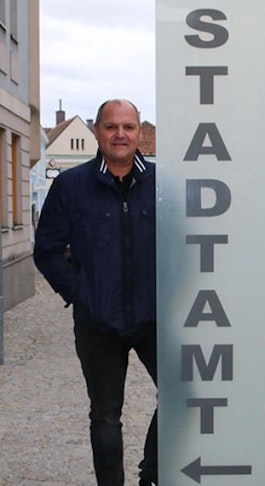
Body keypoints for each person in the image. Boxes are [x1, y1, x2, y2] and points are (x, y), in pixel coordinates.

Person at [34, 99, 157, 486]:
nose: (120, 134)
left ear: (139, 132)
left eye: (128, 127)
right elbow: (47, 250)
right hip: (97, 322)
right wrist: (80, 293)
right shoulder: (72, 185)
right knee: (105, 415)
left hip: (153, 318)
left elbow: (185, 246)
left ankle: (152, 474)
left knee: (182, 396)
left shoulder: (163, 184)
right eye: (111, 127)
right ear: (98, 133)